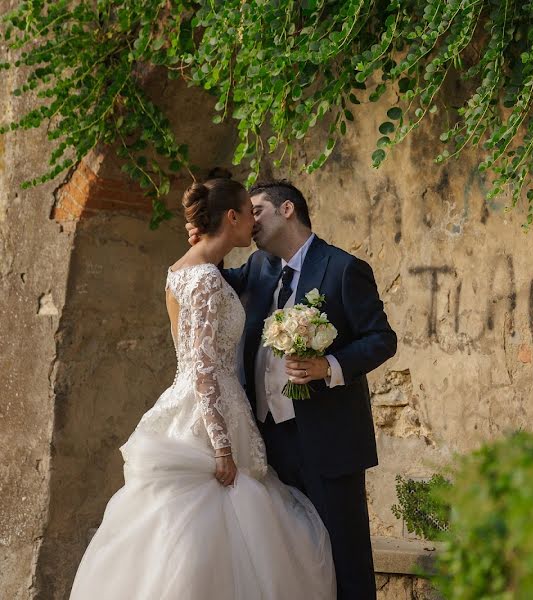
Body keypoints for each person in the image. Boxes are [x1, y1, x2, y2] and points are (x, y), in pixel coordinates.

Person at [70, 178, 336, 599]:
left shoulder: (183, 271)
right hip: (210, 416)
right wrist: (222, 446)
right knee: (217, 532)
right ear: (232, 217)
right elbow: (203, 368)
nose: (254, 221)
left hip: (196, 406)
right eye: (250, 212)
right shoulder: (207, 281)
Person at [188, 180, 397, 600]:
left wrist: (329, 366)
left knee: (345, 561)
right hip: (268, 441)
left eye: (257, 210)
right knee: (293, 562)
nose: (250, 219)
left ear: (287, 209)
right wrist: (204, 238)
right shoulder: (258, 269)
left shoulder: (342, 269)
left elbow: (381, 339)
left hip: (329, 442)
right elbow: (206, 282)